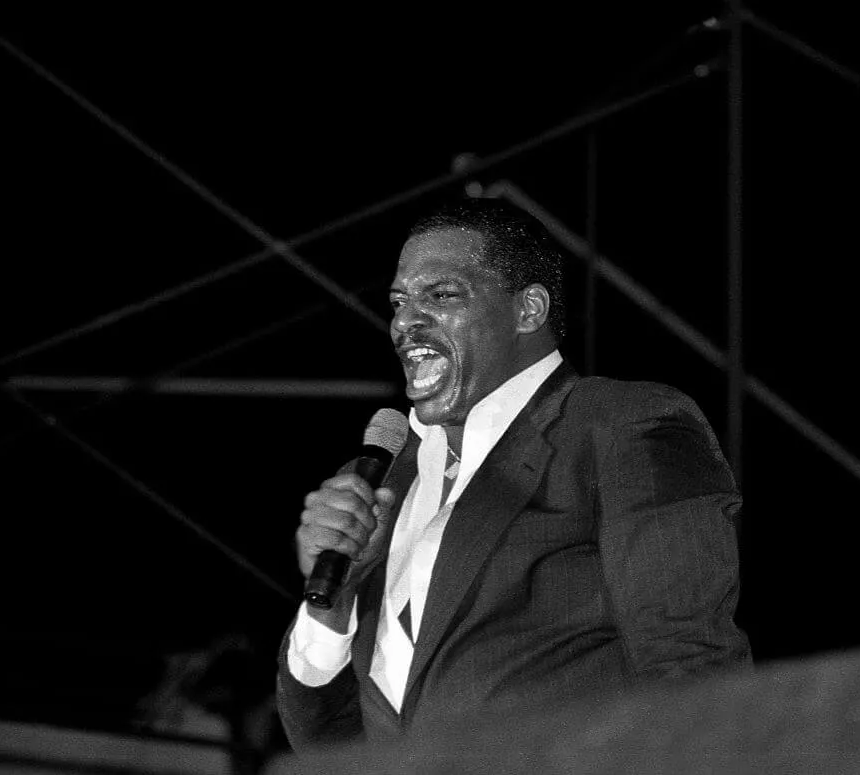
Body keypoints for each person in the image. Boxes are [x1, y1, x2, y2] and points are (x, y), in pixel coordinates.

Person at [276, 197, 750, 749]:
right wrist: (333, 603)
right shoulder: (385, 485)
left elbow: (691, 672)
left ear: (528, 310)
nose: (405, 321)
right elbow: (326, 743)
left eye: (443, 295)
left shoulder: (616, 425)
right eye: (399, 301)